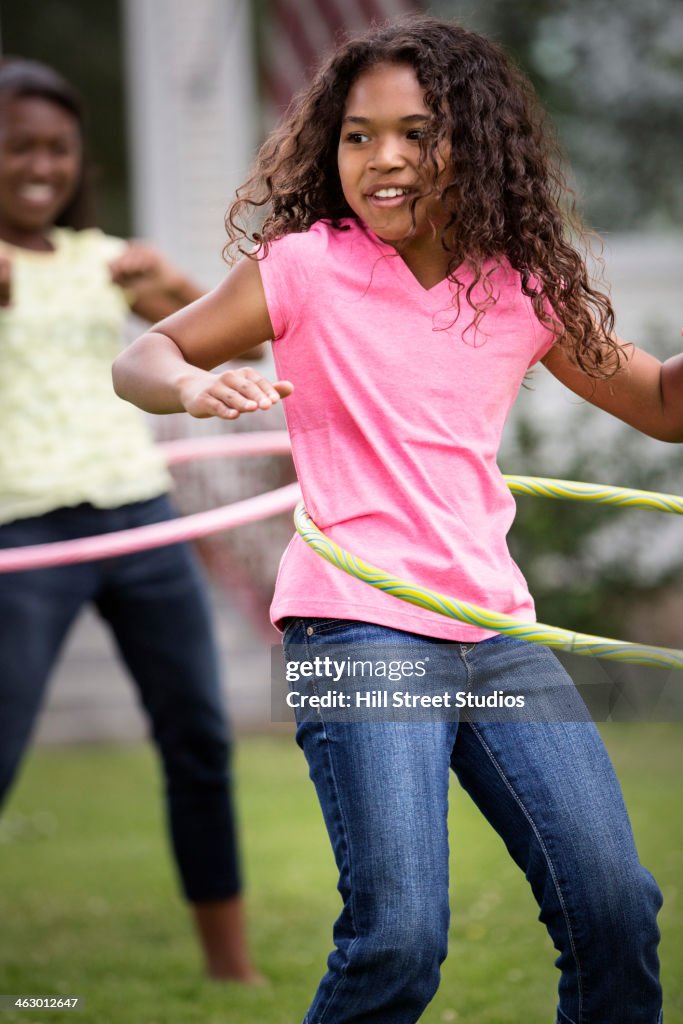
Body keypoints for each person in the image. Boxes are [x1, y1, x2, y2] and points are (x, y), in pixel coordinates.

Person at [113, 16, 682, 1022]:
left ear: (473, 139)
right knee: (398, 939)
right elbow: (143, 356)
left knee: (611, 906)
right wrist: (191, 388)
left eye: (415, 133)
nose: (381, 160)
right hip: (356, 617)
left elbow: (659, 405)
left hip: (494, 629)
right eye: (356, 134)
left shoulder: (521, 284)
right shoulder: (304, 268)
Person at [0, 57, 264, 983]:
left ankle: (230, 968)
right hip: (21, 530)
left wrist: (168, 273)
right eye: (18, 146)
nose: (41, 164)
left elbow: (236, 336)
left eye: (57, 148)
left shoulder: (105, 260)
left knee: (198, 738)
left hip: (137, 514)